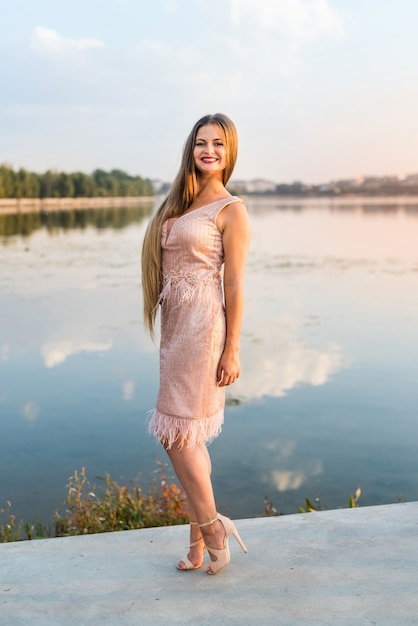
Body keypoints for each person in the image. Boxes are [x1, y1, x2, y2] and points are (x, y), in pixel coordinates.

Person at [141, 113, 251, 574]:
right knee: (186, 434)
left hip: (205, 327)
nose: (209, 150)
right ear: (192, 148)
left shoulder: (232, 210)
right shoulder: (179, 203)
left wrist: (233, 349)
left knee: (176, 432)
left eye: (218, 145)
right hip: (176, 327)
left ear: (229, 154)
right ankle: (197, 544)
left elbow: (235, 286)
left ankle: (212, 526)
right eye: (202, 142)